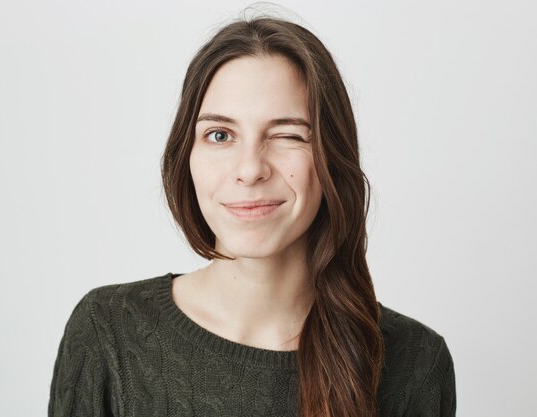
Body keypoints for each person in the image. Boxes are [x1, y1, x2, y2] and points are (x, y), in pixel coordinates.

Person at [48, 14, 456, 417]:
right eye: (220, 135)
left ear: (333, 158)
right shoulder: (108, 331)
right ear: (186, 156)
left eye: (287, 135)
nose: (249, 169)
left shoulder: (416, 362)